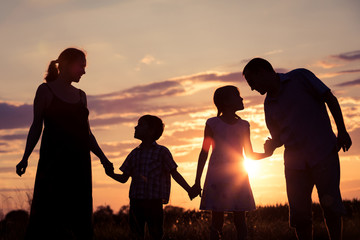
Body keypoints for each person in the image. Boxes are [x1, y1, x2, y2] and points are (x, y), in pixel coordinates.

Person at [242, 58, 352, 240]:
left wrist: (342, 131)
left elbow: (329, 98)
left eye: (252, 82)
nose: (252, 88)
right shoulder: (268, 104)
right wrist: (271, 146)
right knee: (300, 216)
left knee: (331, 207)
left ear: (262, 72)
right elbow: (278, 138)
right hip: (294, 165)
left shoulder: (300, 76)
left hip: (323, 153)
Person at [15, 48, 114, 239]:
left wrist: (104, 159)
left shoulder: (81, 95)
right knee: (50, 215)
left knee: (79, 216)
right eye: (81, 66)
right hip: (53, 163)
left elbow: (87, 134)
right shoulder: (45, 90)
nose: (84, 71)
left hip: (80, 164)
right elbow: (36, 127)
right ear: (67, 64)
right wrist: (25, 157)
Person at [190, 86, 272, 240]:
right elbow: (204, 152)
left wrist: (268, 153)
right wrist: (197, 182)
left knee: (240, 219)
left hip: (238, 176)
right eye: (237, 96)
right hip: (217, 177)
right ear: (226, 102)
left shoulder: (244, 125)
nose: (242, 99)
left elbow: (249, 154)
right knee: (217, 219)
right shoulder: (212, 123)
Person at [106, 115, 192, 240]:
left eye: (141, 124)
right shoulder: (134, 153)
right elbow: (124, 178)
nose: (136, 127)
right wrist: (110, 173)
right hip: (136, 202)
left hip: (154, 202)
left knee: (156, 234)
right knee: (136, 235)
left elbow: (174, 173)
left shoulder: (162, 152)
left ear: (151, 131)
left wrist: (189, 189)